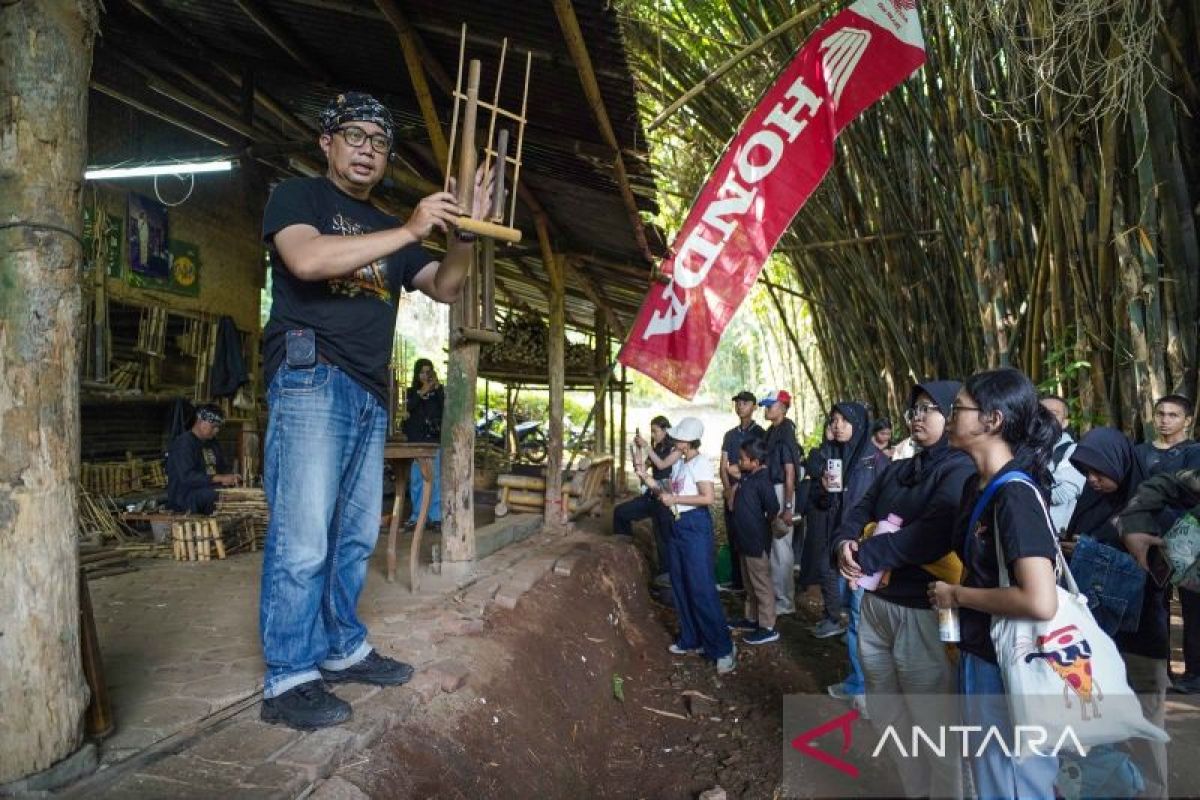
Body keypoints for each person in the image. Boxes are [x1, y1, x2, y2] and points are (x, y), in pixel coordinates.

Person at [258, 91, 489, 730]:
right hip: (310, 379)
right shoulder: (298, 197)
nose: (367, 150)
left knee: (354, 536)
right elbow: (305, 259)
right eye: (354, 136)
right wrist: (413, 228)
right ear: (326, 143)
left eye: (379, 142)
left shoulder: (390, 229)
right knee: (303, 537)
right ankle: (288, 678)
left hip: (366, 391)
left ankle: (339, 648)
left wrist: (462, 234)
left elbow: (446, 286)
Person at [833, 381, 972, 798]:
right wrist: (844, 544)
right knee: (889, 712)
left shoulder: (960, 469)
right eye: (914, 409)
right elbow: (857, 508)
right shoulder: (898, 467)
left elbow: (934, 534)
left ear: (952, 416)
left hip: (922, 610)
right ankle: (916, 790)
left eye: (930, 408)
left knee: (933, 721)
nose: (917, 416)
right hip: (876, 604)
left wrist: (869, 553)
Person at [928, 367, 1061, 799]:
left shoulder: (1015, 495)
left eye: (958, 408)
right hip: (982, 650)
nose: (949, 416)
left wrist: (957, 595)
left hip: (1012, 660)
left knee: (1013, 781)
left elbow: (1040, 600)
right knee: (989, 774)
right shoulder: (977, 485)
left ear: (993, 420)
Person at [1067, 428, 1168, 798]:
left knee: (1144, 727)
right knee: (1102, 731)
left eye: (1099, 471)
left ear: (1120, 463)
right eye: (1086, 472)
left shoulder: (1152, 502)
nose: (1092, 480)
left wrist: (1091, 549)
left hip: (1140, 638)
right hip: (1094, 638)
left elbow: (1163, 564)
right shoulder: (1090, 499)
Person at [656, 417, 737, 674]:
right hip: (678, 525)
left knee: (701, 588)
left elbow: (708, 497)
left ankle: (722, 648)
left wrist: (675, 498)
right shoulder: (681, 462)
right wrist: (657, 487)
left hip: (695, 526)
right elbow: (672, 488)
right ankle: (692, 638)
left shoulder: (700, 463)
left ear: (688, 441)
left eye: (678, 437)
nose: (674, 440)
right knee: (681, 584)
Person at [1133, 394, 1200, 695]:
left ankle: (1195, 673)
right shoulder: (1140, 452)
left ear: (1187, 420)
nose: (1165, 420)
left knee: (1193, 607)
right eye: (1160, 413)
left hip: (1189, 541)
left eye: (1173, 415)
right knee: (1153, 606)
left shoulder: (1195, 452)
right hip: (1147, 539)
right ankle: (1159, 671)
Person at [806, 402, 888, 639]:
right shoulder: (836, 456)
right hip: (838, 537)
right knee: (848, 602)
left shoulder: (876, 462)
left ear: (859, 424)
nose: (837, 425)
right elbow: (825, 502)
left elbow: (882, 507)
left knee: (859, 610)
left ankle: (861, 674)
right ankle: (855, 670)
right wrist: (824, 490)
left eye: (844, 420)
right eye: (834, 420)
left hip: (862, 544)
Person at [726, 438, 781, 645]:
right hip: (744, 540)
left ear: (756, 462)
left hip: (756, 541)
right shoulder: (748, 477)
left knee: (761, 584)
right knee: (749, 583)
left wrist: (762, 526)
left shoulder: (763, 481)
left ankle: (767, 626)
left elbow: (773, 509)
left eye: (742, 459)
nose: (739, 462)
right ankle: (752, 618)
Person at [618, 417, 680, 586]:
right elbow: (641, 467)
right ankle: (624, 555)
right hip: (652, 495)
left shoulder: (675, 448)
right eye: (651, 431)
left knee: (664, 540)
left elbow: (661, 465)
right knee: (621, 513)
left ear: (666, 429)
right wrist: (638, 450)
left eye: (655, 431)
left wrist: (646, 446)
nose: (653, 434)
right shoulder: (656, 447)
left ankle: (666, 580)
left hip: (666, 498)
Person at [760, 389, 802, 615]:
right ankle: (777, 597)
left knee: (781, 547)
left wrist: (787, 506)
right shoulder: (772, 431)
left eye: (770, 405)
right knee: (774, 547)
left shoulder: (785, 433)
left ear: (783, 407)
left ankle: (785, 601)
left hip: (781, 492)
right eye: (766, 405)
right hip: (772, 491)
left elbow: (789, 473)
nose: (766, 409)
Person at [720, 391, 766, 593]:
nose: (740, 406)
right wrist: (729, 490)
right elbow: (724, 465)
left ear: (754, 406)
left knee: (750, 536)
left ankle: (753, 585)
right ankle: (738, 582)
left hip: (750, 493)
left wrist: (738, 485)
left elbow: (759, 466)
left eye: (745, 403)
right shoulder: (729, 434)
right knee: (733, 534)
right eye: (737, 403)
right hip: (732, 491)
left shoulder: (760, 433)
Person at [166, 404, 241, 514]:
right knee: (218, 495)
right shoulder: (184, 443)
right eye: (213, 426)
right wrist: (219, 478)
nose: (216, 431)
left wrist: (231, 477)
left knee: (235, 493)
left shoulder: (213, 443)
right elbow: (187, 477)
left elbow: (223, 468)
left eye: (218, 427)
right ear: (201, 422)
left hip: (207, 491)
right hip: (185, 498)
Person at [403, 359, 444, 530]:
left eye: (429, 372)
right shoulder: (411, 392)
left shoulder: (439, 392)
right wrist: (422, 392)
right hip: (417, 439)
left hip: (434, 439)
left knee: (434, 478)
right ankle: (417, 515)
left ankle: (435, 516)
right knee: (417, 478)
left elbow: (444, 409)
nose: (425, 375)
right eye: (422, 372)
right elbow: (409, 408)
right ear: (417, 374)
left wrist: (436, 389)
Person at [1039, 394, 1084, 535]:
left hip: (1055, 535)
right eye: (1040, 412)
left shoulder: (1073, 451)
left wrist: (1028, 492)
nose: (1045, 417)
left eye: (1053, 413)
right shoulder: (1019, 450)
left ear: (1065, 422)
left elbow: (1065, 493)